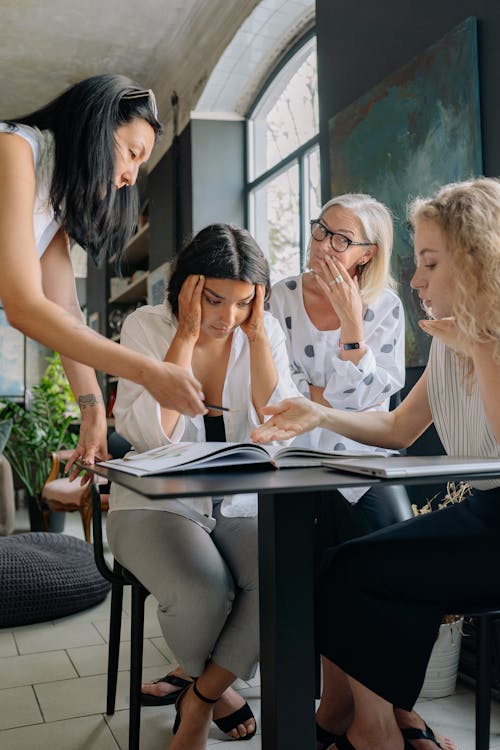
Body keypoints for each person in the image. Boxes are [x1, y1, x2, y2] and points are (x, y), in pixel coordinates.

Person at [251, 176, 500, 750]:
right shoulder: (446, 339)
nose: (416, 280)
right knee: (346, 566)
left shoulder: (475, 337)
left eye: (431, 263)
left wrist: (481, 345)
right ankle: (364, 718)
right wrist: (316, 417)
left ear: (477, 260)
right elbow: (395, 428)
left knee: (359, 567)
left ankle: (366, 722)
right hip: (486, 512)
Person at [107, 223, 300, 748]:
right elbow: (148, 432)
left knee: (285, 574)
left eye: (242, 303)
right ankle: (218, 689)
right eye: (214, 300)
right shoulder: (147, 326)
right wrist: (186, 337)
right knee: (203, 589)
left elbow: (279, 425)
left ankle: (200, 695)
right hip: (153, 502)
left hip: (236, 500)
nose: (227, 317)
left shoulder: (261, 332)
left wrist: (259, 338)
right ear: (188, 284)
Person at [0, 74, 205, 476]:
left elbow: (64, 312)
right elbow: (23, 306)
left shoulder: (51, 204)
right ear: (96, 125)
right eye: (132, 152)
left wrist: (92, 408)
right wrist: (148, 372)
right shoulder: (13, 150)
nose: (131, 177)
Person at [269, 193, 406, 542]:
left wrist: (352, 326)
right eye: (321, 230)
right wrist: (337, 398)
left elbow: (376, 398)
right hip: (292, 455)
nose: (323, 245)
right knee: (295, 561)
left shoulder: (385, 306)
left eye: (341, 240)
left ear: (367, 252)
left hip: (362, 456)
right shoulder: (281, 296)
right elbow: (281, 392)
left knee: (392, 542)